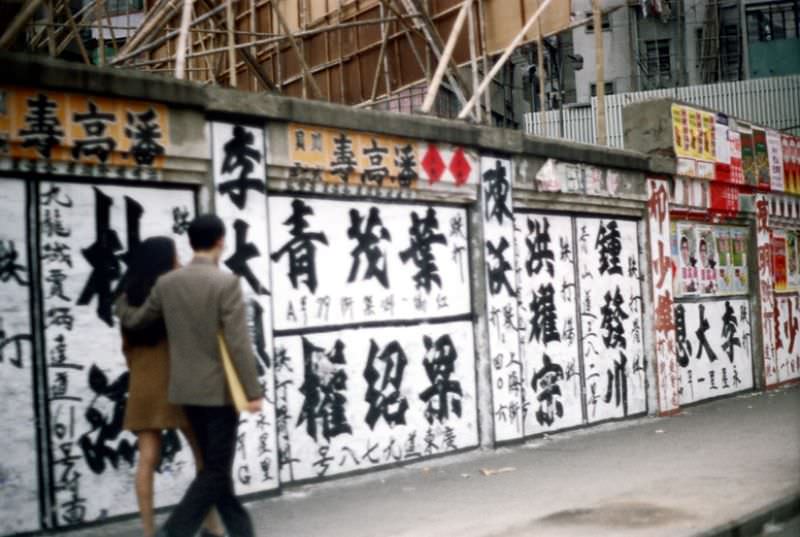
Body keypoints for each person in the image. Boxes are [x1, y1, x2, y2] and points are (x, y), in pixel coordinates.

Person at [116, 215, 263, 537]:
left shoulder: (168, 283)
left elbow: (138, 320)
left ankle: (235, 531)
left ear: (191, 242)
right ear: (221, 241)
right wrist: (253, 390)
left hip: (185, 392)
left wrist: (121, 307)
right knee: (214, 471)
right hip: (220, 393)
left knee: (215, 469)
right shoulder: (226, 283)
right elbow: (238, 342)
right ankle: (176, 530)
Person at [118, 237, 224, 537]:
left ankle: (149, 533)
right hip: (179, 384)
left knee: (146, 459)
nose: (180, 262)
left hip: (143, 385)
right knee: (204, 457)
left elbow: (126, 348)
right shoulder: (173, 293)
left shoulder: (126, 299)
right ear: (164, 261)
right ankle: (212, 526)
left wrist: (141, 372)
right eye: (175, 257)